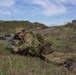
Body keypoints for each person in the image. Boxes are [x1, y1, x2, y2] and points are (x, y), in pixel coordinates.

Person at [11, 26, 76, 66]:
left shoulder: (26, 35)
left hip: (42, 50)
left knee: (49, 59)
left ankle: (67, 62)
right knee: (59, 54)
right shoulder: (28, 35)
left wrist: (18, 48)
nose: (18, 35)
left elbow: (28, 44)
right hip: (45, 47)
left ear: (21, 32)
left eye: (18, 34)